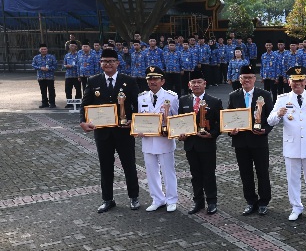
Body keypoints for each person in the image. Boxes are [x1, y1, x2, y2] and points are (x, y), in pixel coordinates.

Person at [79, 48, 140, 213]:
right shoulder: (93, 81)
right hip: (102, 132)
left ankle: (134, 197)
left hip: (123, 131)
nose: (108, 64)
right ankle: (107, 199)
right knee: (105, 166)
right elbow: (85, 104)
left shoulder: (129, 80)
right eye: (105, 61)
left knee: (129, 164)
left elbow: (137, 104)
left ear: (117, 63)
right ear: (100, 63)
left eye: (111, 61)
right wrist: (83, 122)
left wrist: (133, 120)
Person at [266, 66, 306, 221]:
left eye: (300, 80)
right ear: (289, 82)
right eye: (294, 81)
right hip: (291, 146)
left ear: (305, 81)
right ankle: (296, 207)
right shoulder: (282, 99)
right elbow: (270, 121)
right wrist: (278, 114)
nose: (297, 83)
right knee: (293, 180)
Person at [228, 65, 274, 216]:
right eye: (244, 78)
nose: (247, 80)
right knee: (245, 173)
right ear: (239, 79)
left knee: (262, 172)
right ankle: (250, 201)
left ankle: (264, 202)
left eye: (249, 77)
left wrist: (265, 130)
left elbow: (271, 118)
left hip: (259, 140)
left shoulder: (265, 95)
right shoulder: (233, 96)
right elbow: (228, 118)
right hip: (241, 141)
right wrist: (230, 131)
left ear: (255, 79)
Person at [177, 68, 223, 215]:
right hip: (190, 145)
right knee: (195, 175)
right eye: (193, 82)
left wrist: (212, 135)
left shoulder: (214, 101)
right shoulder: (183, 101)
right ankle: (198, 201)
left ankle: (212, 201)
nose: (196, 85)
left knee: (209, 174)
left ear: (205, 84)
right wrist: (179, 135)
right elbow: (179, 122)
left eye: (199, 82)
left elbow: (220, 124)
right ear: (189, 85)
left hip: (207, 144)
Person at [135, 66, 180, 212]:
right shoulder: (141, 97)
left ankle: (171, 199)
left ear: (162, 81)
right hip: (148, 140)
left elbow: (176, 118)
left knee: (168, 171)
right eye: (149, 79)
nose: (152, 82)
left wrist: (170, 130)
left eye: (155, 79)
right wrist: (138, 129)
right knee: (151, 172)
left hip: (164, 140)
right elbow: (139, 118)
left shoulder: (171, 97)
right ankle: (157, 199)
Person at [32, 43, 58, 108]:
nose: (43, 50)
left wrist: (49, 69)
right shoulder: (36, 57)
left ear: (47, 50)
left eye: (45, 49)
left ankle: (52, 103)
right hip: (41, 77)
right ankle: (44, 103)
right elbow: (33, 65)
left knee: (51, 90)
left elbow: (55, 66)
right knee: (43, 90)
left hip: (50, 77)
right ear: (39, 50)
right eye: (42, 49)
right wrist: (40, 68)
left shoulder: (51, 57)